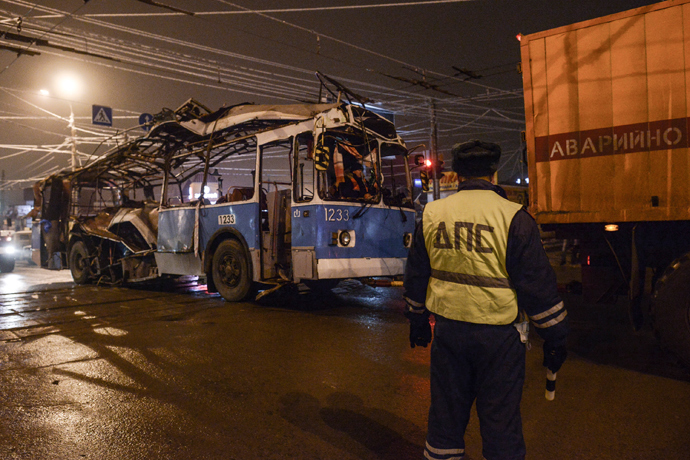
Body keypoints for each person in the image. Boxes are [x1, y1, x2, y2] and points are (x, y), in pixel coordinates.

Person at [403, 140, 568, 460]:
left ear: (457, 174)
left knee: (445, 419)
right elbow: (538, 287)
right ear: (494, 173)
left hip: (449, 334)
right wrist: (556, 337)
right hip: (500, 339)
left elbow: (416, 274)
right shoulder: (514, 218)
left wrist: (417, 318)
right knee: (500, 423)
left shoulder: (433, 213)